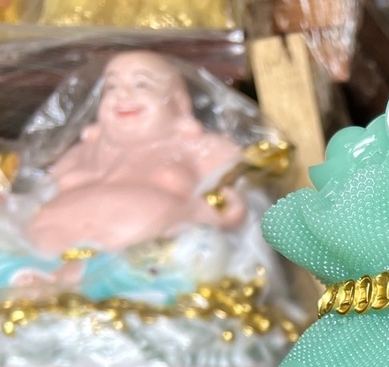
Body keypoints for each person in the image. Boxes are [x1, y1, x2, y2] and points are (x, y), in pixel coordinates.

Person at [27, 51, 246, 257]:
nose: (122, 94)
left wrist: (213, 213)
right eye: (111, 87)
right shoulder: (79, 154)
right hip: (47, 260)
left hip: (150, 263)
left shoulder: (202, 148)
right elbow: (35, 198)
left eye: (141, 85)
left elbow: (240, 201)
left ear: (179, 103)